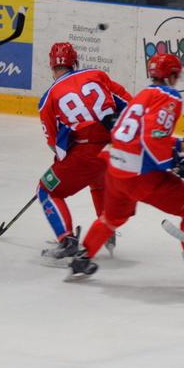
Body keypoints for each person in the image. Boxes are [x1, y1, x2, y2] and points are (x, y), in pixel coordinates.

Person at [67, 53, 184, 295]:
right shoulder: (170, 97)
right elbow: (153, 138)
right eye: (175, 75)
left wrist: (179, 150)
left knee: (112, 218)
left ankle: (81, 258)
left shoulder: (142, 95)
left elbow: (129, 132)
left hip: (115, 170)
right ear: (170, 75)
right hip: (139, 176)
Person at [37, 43, 132, 263]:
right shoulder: (97, 75)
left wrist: (64, 161)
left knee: (46, 190)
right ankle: (105, 230)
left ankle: (66, 241)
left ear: (52, 66)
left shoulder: (48, 98)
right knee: (97, 180)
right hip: (113, 149)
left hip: (85, 153)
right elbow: (130, 104)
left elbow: (54, 143)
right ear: (75, 62)